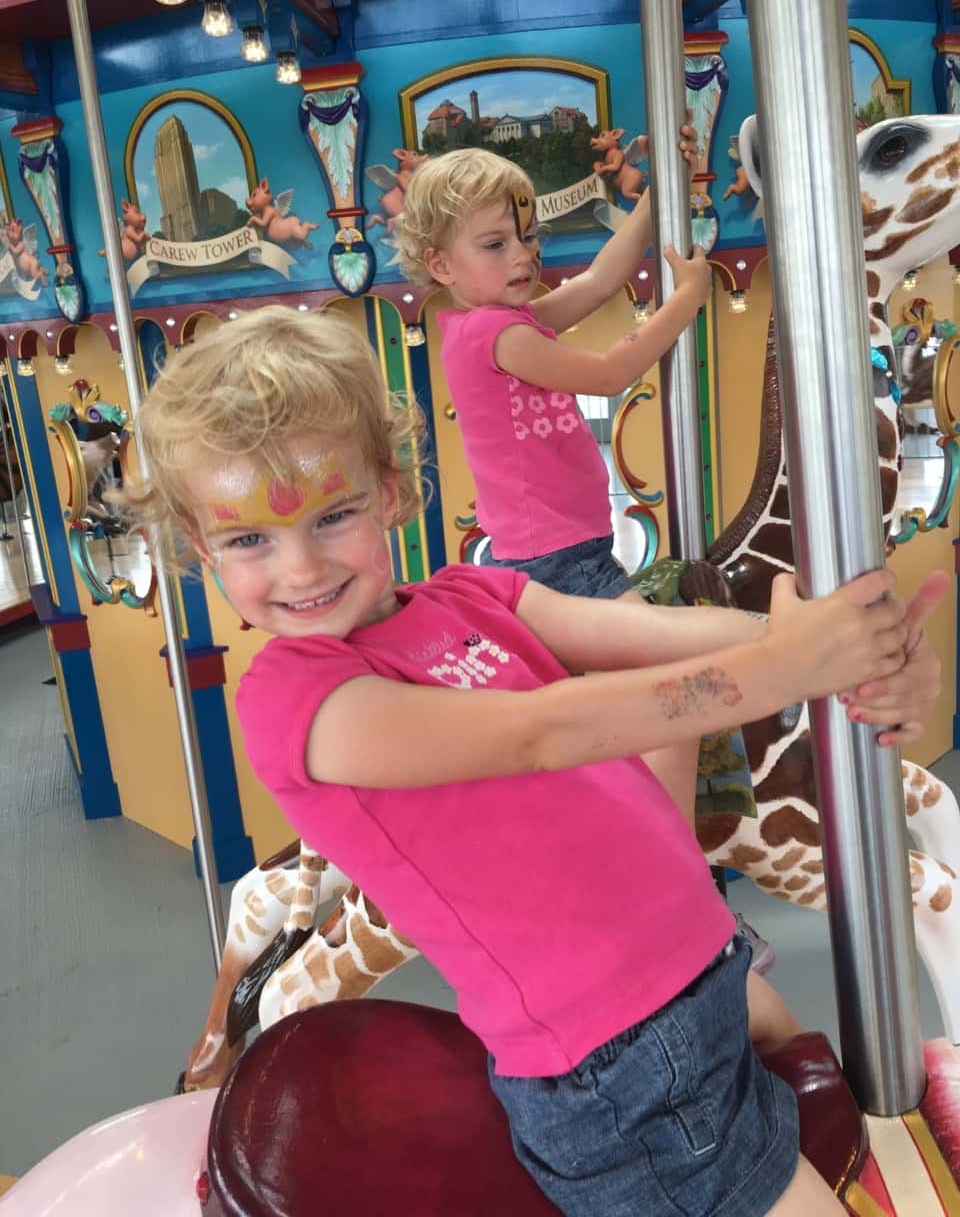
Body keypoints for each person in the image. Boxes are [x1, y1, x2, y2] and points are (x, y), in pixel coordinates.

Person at [126, 306, 944, 1217]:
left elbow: (646, 631)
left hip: (705, 971)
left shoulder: (476, 595)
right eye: (249, 540)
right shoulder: (296, 699)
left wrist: (840, 649)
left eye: (334, 514)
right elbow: (543, 732)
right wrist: (787, 666)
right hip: (621, 1075)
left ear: (392, 492)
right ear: (202, 550)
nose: (299, 566)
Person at [392, 136, 710, 600]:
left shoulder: (499, 323)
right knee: (666, 653)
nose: (522, 255)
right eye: (495, 244)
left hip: (567, 547)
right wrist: (687, 299)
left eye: (528, 236)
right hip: (558, 558)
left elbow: (599, 281)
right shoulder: (496, 335)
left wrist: (660, 191)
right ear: (441, 265)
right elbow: (608, 374)